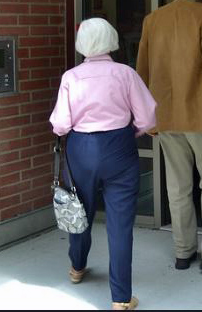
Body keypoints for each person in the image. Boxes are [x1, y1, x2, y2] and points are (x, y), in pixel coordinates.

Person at [49, 18, 157, 311]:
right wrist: (131, 132)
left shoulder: (71, 77)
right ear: (112, 40)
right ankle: (121, 298)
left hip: (81, 148)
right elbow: (148, 118)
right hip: (119, 147)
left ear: (81, 44)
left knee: (78, 209)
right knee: (120, 224)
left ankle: (77, 267)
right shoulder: (126, 73)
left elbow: (60, 125)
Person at [136, 0, 202, 274]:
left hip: (166, 116)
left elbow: (142, 72)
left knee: (177, 187)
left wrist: (148, 115)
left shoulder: (153, 20)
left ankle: (183, 252)